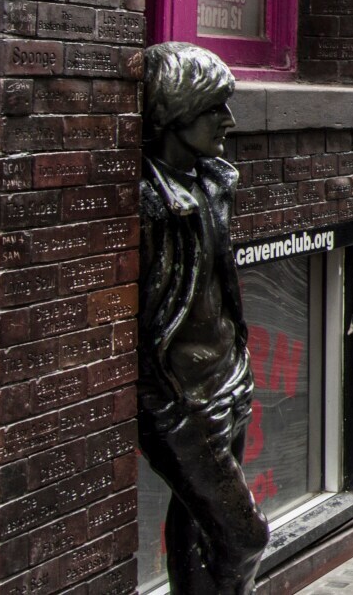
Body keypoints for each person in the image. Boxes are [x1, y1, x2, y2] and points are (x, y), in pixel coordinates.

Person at [139, 43, 268, 595]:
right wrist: (165, 396)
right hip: (182, 400)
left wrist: (238, 358)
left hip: (226, 378)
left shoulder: (213, 182)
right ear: (176, 111)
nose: (229, 121)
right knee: (245, 538)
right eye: (215, 108)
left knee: (197, 527)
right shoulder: (148, 203)